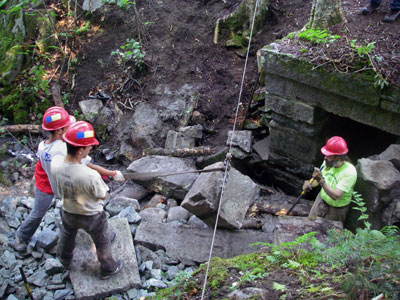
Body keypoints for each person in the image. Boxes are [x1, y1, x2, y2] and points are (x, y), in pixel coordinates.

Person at [13, 106, 125, 253]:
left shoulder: (44, 145)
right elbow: (88, 165)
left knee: (66, 211)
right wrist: (111, 173)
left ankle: (85, 236)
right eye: (67, 127)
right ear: (59, 131)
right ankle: (21, 236)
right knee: (78, 210)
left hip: (51, 180)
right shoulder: (61, 150)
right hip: (52, 185)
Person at [52, 121, 124, 279]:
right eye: (88, 146)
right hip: (92, 216)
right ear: (80, 150)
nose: (91, 148)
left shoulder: (56, 164)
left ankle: (64, 260)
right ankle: (109, 268)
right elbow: (103, 195)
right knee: (102, 241)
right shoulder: (90, 175)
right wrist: (114, 177)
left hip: (68, 210)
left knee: (67, 233)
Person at [304, 136, 357, 223]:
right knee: (309, 225)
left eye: (328, 156)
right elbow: (316, 181)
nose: (325, 157)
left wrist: (321, 180)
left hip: (336, 210)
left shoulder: (349, 172)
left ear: (338, 158)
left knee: (326, 234)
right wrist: (309, 184)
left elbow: (335, 196)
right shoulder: (327, 163)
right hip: (320, 201)